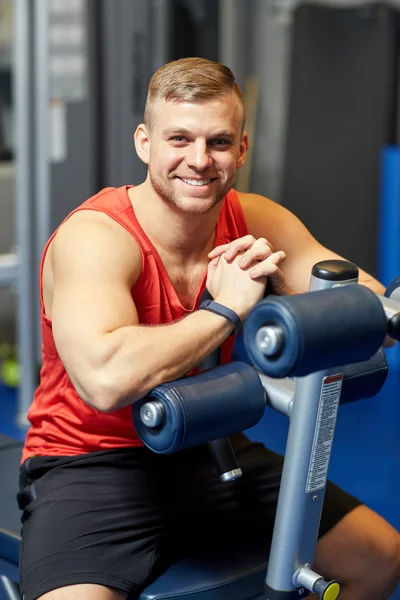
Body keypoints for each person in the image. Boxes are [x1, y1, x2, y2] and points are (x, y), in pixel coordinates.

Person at [17, 57, 399, 600]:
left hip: (210, 445)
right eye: (179, 139)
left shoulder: (255, 219)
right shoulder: (97, 238)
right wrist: (225, 311)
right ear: (144, 143)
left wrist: (346, 303)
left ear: (241, 149)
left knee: (379, 560)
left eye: (219, 142)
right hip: (91, 465)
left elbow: (371, 311)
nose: (198, 161)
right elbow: (104, 382)